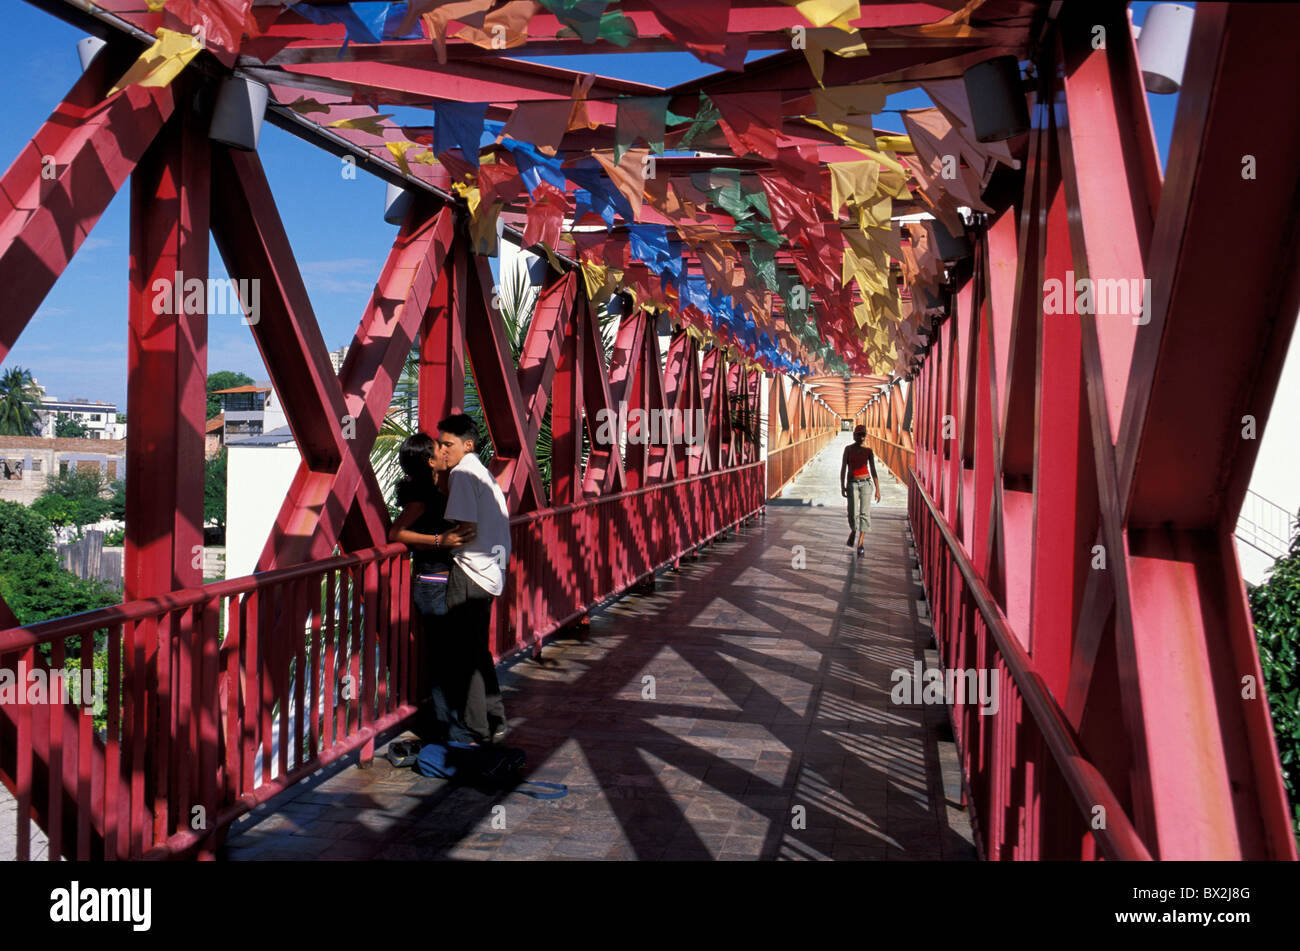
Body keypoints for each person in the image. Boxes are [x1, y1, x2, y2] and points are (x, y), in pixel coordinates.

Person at [389, 433, 477, 742]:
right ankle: (450, 731)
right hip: (432, 584)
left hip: (444, 582)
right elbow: (396, 533)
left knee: (450, 658)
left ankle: (454, 726)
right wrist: (442, 540)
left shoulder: (440, 491)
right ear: (430, 460)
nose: (446, 451)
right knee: (445, 661)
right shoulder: (422, 497)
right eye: (441, 448)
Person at [435, 413, 513, 747]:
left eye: (448, 444)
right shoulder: (482, 472)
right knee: (477, 651)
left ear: (468, 445)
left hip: (470, 572)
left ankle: (476, 728)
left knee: (464, 655)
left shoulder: (463, 474)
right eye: (440, 444)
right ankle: (494, 720)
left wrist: (436, 542)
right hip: (490, 572)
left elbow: (465, 529)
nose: (442, 450)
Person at [841, 425, 881, 559]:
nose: (861, 437)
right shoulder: (848, 449)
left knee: (865, 514)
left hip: (866, 483)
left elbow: (874, 470)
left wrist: (877, 489)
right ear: (854, 435)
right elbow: (843, 468)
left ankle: (860, 544)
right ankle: (853, 530)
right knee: (852, 513)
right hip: (852, 483)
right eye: (858, 434)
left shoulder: (868, 450)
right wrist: (842, 485)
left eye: (863, 435)